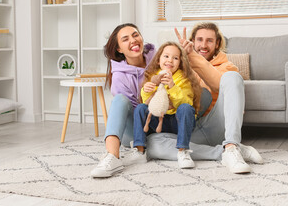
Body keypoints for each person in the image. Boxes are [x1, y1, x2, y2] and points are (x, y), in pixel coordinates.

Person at [146, 22, 263, 174]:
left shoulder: (227, 66)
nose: (203, 45)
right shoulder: (181, 69)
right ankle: (226, 152)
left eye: (209, 40)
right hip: (192, 128)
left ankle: (231, 145)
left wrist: (193, 56)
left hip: (216, 125)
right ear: (193, 41)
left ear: (217, 44)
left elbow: (216, 85)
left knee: (232, 77)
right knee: (152, 143)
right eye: (199, 40)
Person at [90, 23, 156, 178]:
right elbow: (136, 113)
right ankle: (112, 156)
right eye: (125, 39)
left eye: (135, 35)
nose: (133, 40)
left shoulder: (158, 58)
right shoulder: (120, 76)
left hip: (162, 121)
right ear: (119, 49)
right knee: (120, 100)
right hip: (135, 129)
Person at [130, 41, 202, 169]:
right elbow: (148, 103)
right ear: (158, 60)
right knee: (140, 108)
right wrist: (145, 91)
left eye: (175, 58)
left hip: (176, 122)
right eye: (166, 56)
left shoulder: (184, 79)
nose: (170, 60)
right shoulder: (153, 76)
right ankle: (140, 150)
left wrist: (172, 86)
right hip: (158, 121)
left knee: (186, 107)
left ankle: (183, 151)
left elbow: (186, 104)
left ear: (180, 63)